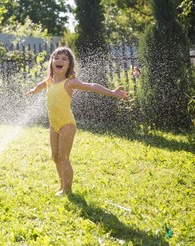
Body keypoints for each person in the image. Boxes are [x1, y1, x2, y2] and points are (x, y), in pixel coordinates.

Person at [24, 47, 129, 196]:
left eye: (64, 59)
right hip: (53, 125)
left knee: (63, 157)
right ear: (52, 62)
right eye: (56, 58)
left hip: (67, 124)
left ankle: (67, 190)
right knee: (55, 156)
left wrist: (112, 92)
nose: (59, 61)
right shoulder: (50, 80)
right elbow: (41, 84)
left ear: (69, 65)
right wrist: (35, 89)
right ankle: (61, 186)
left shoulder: (70, 82)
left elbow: (91, 86)